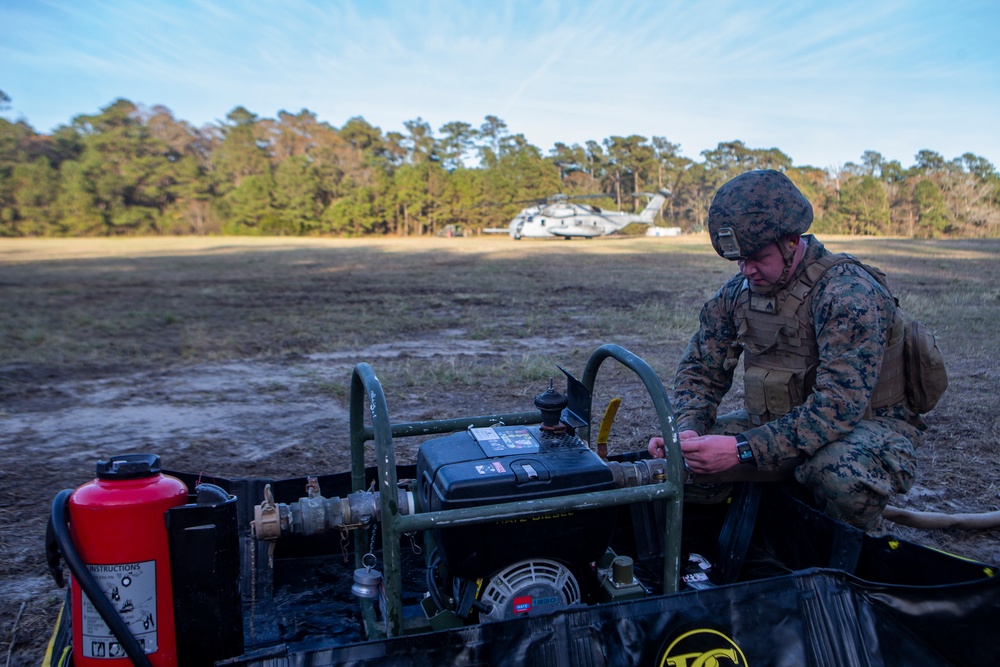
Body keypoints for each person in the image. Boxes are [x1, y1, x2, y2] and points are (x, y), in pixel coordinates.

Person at [648, 169, 924, 530]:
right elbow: (701, 370)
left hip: (864, 429)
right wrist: (688, 430)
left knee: (836, 474)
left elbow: (836, 410)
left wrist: (742, 450)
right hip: (782, 424)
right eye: (739, 260)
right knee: (680, 460)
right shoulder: (738, 292)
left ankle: (849, 551)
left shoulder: (846, 293)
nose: (747, 270)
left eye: (758, 257)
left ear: (792, 242)